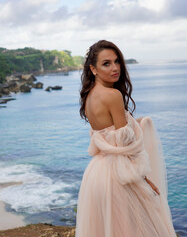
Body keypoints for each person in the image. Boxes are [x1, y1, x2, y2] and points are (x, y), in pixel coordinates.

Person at [76, 40, 176, 237]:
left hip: (96, 174)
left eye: (116, 62)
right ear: (93, 69)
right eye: (106, 63)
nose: (115, 68)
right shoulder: (113, 95)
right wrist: (145, 179)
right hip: (118, 176)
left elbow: (107, 133)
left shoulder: (89, 96)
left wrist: (134, 123)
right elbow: (126, 144)